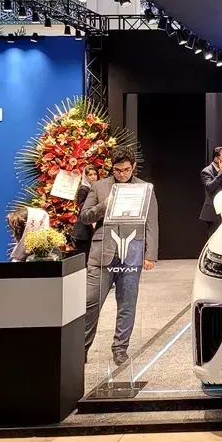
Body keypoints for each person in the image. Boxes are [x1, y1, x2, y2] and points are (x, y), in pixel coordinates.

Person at [80, 148, 159, 366]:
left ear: (133, 167)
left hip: (132, 252)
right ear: (111, 168)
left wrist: (150, 254)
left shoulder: (145, 188)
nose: (122, 174)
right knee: (90, 303)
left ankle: (120, 348)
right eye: (117, 170)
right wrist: (104, 206)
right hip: (102, 253)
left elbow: (152, 223)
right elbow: (85, 217)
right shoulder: (99, 187)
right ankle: (81, 348)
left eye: (126, 170)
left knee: (127, 303)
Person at [199, 147, 222, 237]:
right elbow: (210, 187)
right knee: (215, 238)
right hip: (214, 214)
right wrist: (221, 173)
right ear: (216, 159)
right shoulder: (206, 172)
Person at [72, 166, 100, 259]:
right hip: (84, 228)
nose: (93, 177)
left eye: (95, 174)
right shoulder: (84, 189)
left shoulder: (96, 188)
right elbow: (83, 208)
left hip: (91, 227)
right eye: (90, 175)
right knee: (83, 257)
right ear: (86, 176)